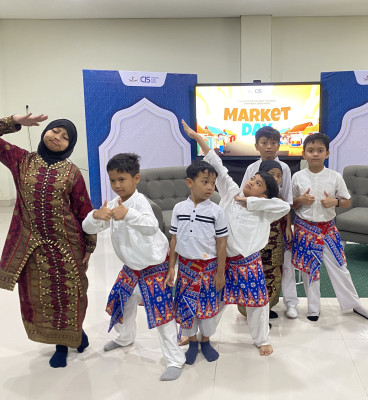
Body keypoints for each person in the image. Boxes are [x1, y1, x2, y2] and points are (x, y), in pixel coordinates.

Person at [181, 120, 290, 356]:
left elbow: (284, 207)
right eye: (253, 179)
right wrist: (199, 139)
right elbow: (218, 167)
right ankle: (196, 335)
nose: (251, 182)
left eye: (258, 184)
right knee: (215, 300)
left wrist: (250, 202)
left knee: (258, 303)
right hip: (222, 262)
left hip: (249, 263)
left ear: (264, 194)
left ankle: (262, 339)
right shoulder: (231, 192)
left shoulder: (265, 209)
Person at [0, 114, 96, 368]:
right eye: (55, 131)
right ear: (45, 132)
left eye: (65, 137)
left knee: (68, 294)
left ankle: (66, 342)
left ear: (70, 145)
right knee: (42, 297)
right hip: (32, 246)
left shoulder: (72, 173)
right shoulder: (22, 161)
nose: (58, 138)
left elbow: (83, 210)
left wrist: (89, 245)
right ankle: (70, 339)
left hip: (67, 245)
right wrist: (14, 121)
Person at [82, 153, 185, 380]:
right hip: (131, 268)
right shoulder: (112, 205)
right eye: (113, 180)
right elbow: (88, 228)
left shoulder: (140, 203)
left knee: (162, 316)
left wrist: (128, 214)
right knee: (122, 303)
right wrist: (95, 215)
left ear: (136, 178)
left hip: (154, 269)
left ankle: (175, 360)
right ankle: (125, 338)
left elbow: (151, 226)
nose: (117, 185)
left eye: (122, 179)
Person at [292, 133, 368, 322]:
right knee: (309, 270)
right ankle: (313, 308)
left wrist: (334, 202)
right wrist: (301, 200)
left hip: (328, 229)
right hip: (305, 229)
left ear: (327, 153)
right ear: (304, 154)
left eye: (320, 150)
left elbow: (347, 202)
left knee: (340, 267)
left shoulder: (335, 177)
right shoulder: (297, 177)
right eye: (311, 150)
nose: (315, 154)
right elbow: (292, 204)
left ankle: (354, 304)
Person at [167, 159, 228, 365]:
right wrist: (171, 268)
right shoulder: (179, 208)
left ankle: (206, 341)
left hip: (208, 271)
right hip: (185, 270)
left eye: (213, 183)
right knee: (187, 308)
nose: (210, 187)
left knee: (208, 309)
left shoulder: (217, 211)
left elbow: (221, 243)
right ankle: (192, 342)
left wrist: (220, 273)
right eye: (205, 182)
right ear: (189, 182)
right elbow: (174, 239)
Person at [239, 126, 296, 319]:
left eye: (273, 143)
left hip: (278, 224)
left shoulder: (284, 168)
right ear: (257, 146)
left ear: (279, 145)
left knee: (281, 264)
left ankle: (285, 303)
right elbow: (243, 194)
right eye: (264, 143)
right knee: (256, 263)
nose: (269, 147)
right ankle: (252, 306)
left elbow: (286, 199)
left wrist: (288, 226)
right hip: (255, 223)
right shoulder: (252, 168)